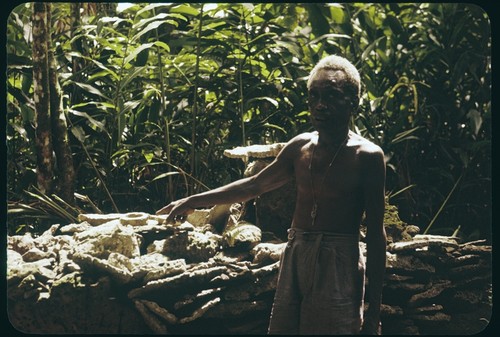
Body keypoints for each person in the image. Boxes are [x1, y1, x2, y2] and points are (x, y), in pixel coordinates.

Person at [156, 54, 387, 335]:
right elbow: (254, 185)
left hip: (339, 258)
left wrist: (374, 312)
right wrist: (193, 201)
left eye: (331, 96)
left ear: (353, 100)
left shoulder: (368, 157)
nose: (320, 105)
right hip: (296, 251)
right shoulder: (301, 147)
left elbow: (376, 234)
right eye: (313, 96)